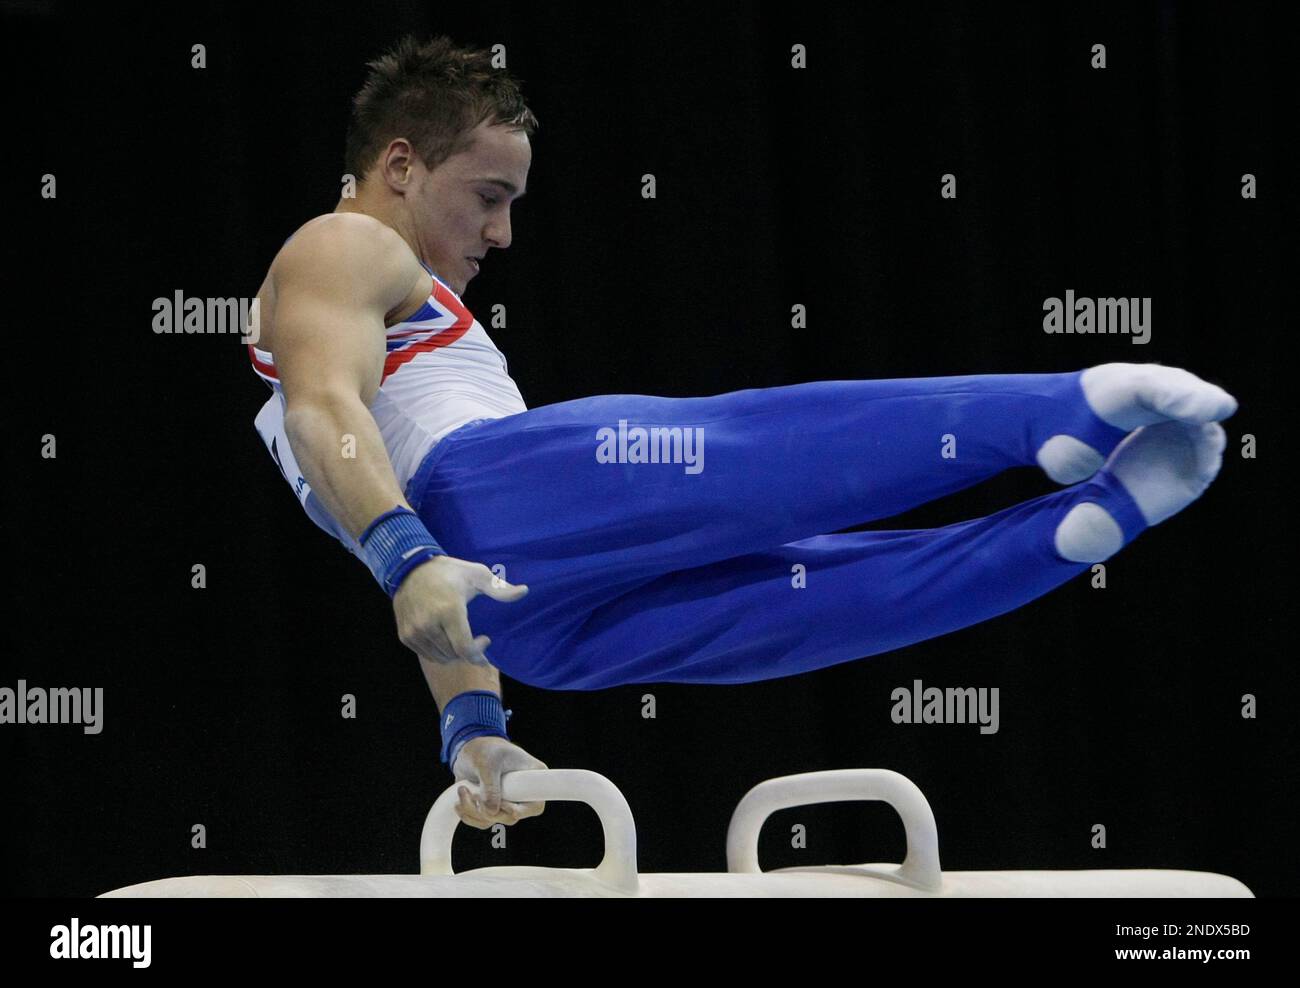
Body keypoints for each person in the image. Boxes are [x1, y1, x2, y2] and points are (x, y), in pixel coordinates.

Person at [247, 36, 1238, 832]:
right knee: (775, 470)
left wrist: (472, 723)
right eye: (489, 197)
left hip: (519, 610)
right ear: (400, 164)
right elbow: (326, 410)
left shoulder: (377, 294)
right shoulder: (344, 245)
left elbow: (430, 572)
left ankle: (1084, 513)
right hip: (496, 497)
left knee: (815, 592)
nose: (502, 235)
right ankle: (1061, 415)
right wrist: (407, 558)